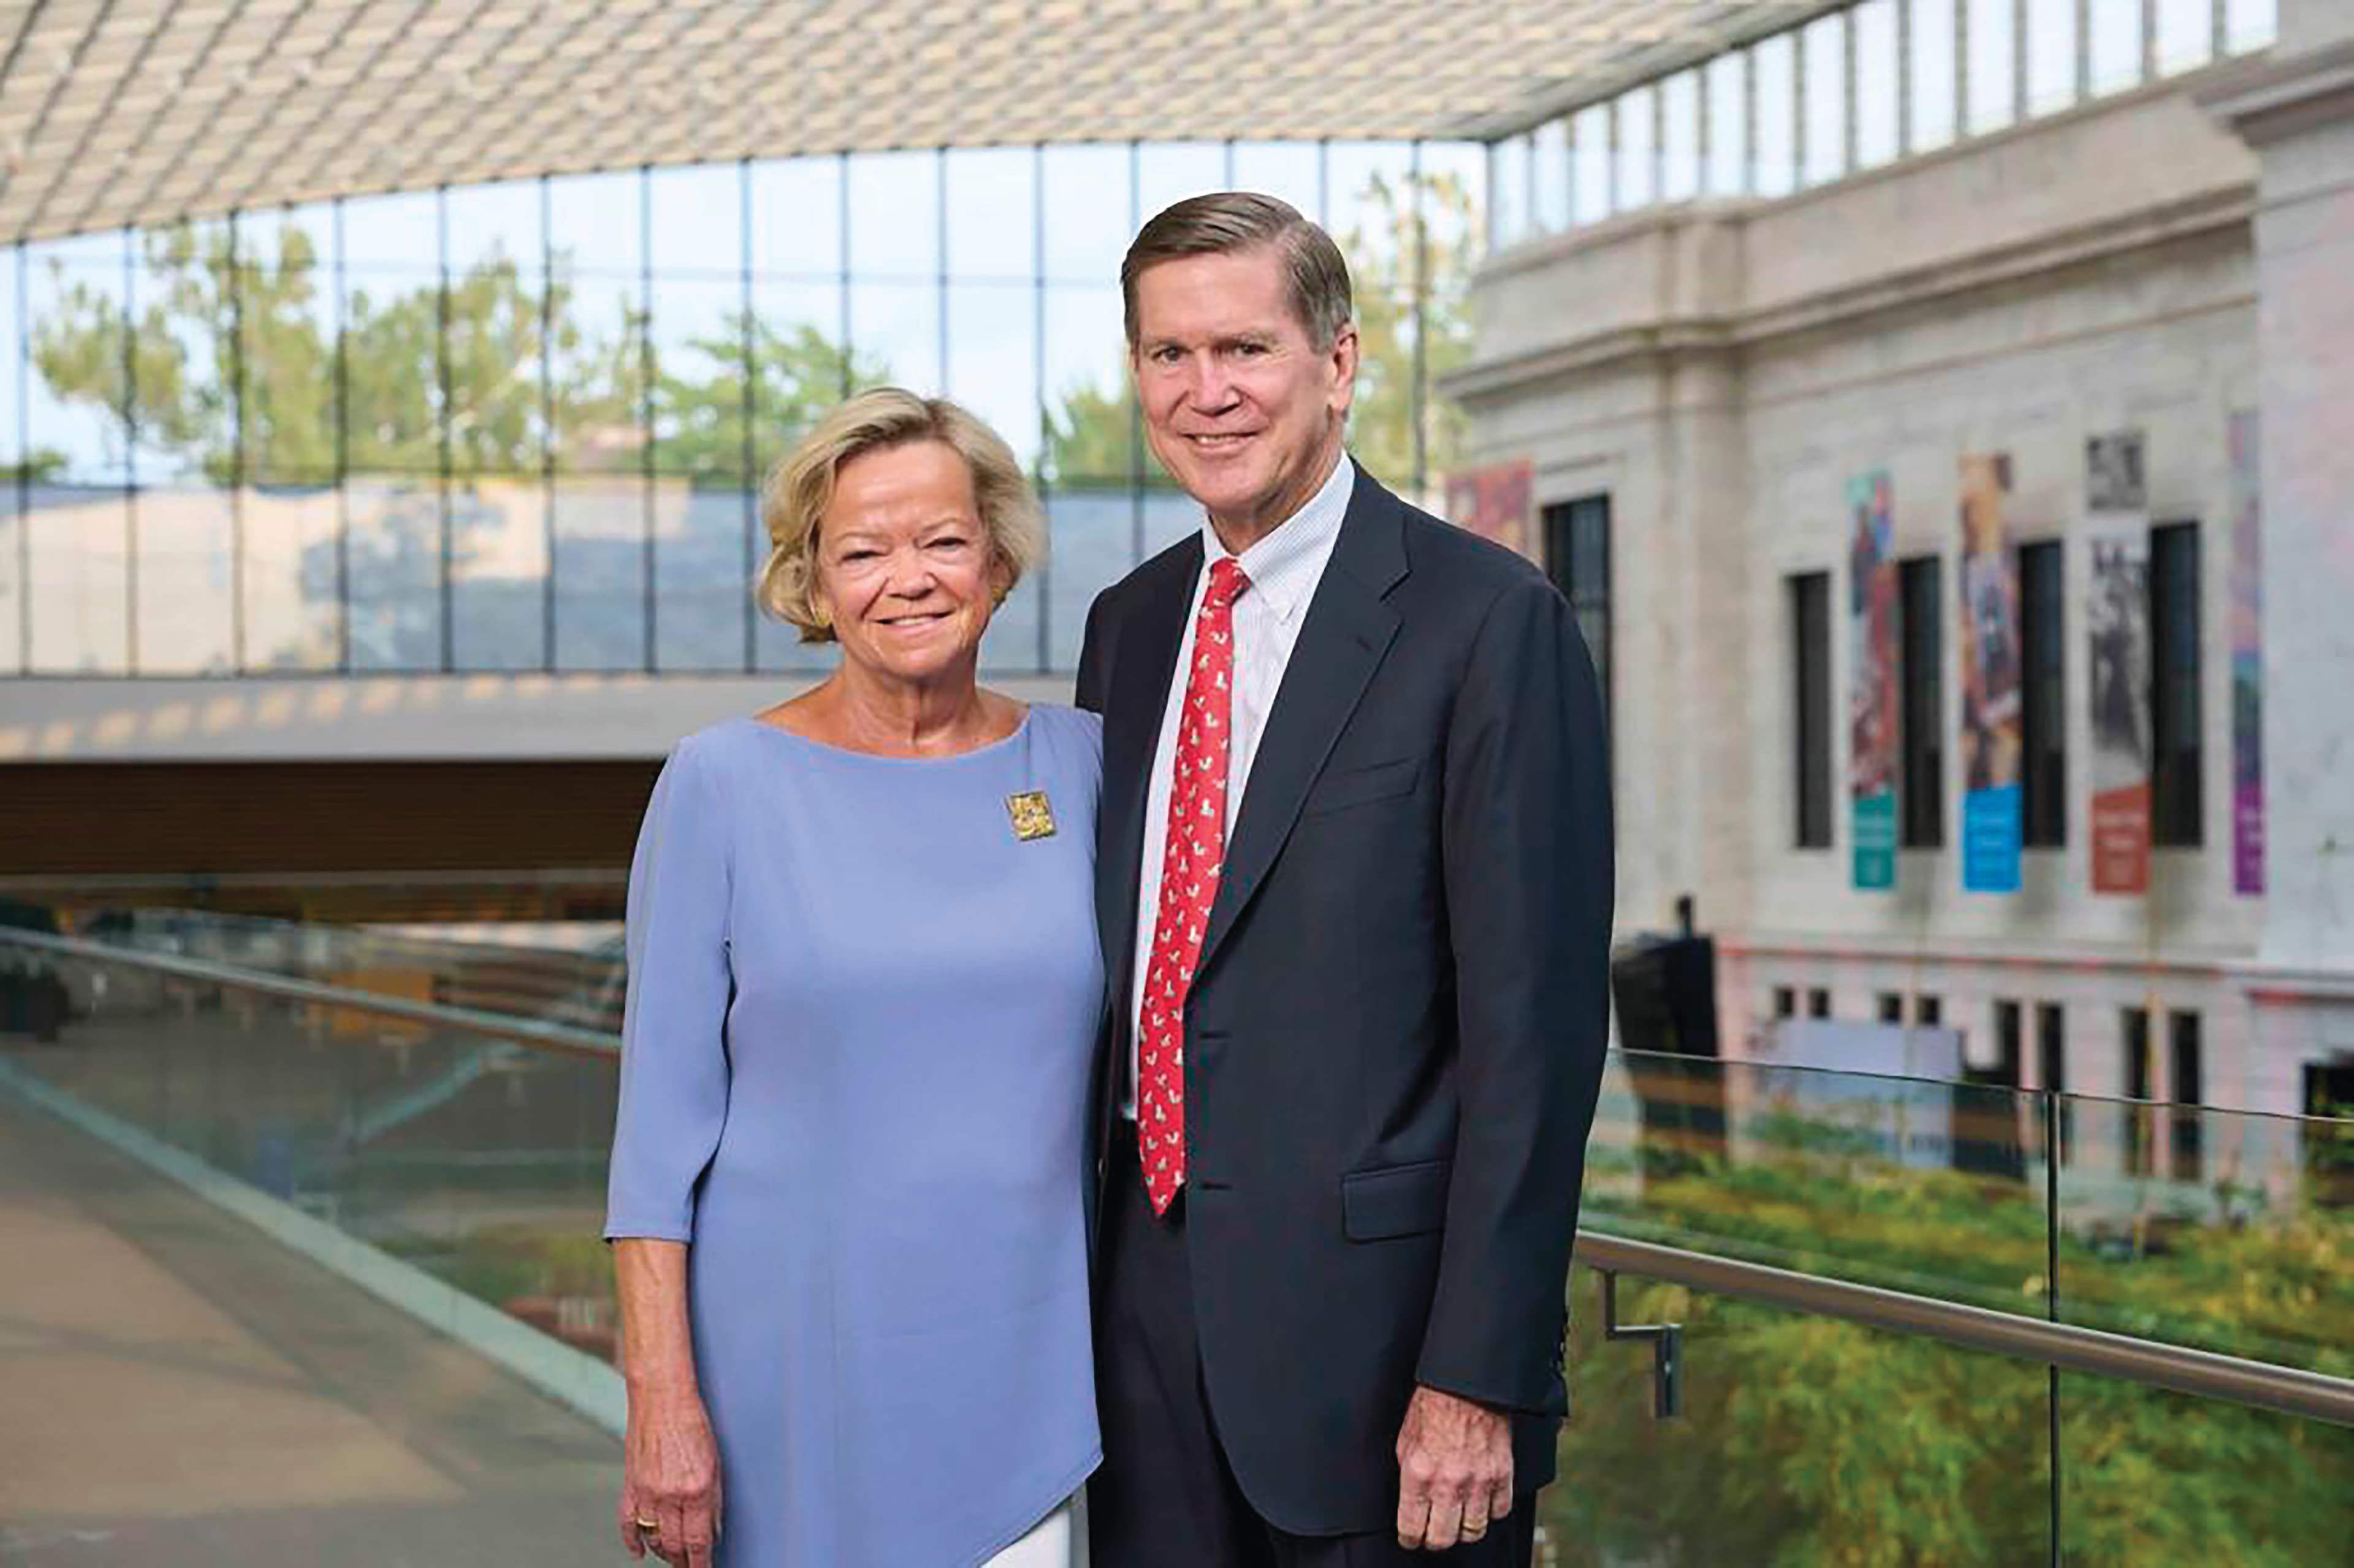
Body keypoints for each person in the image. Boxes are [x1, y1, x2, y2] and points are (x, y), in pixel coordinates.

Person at [1075, 193, 1614, 1566]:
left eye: (1244, 349)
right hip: (1138, 1334)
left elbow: (1535, 1043)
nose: (1207, 394)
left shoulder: (1489, 622)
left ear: (1339, 362)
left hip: (1388, 1374)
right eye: (1168, 355)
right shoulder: (1128, 628)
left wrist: (1479, 1373)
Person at [604, 389, 1102, 1568]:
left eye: (942, 539)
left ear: (998, 558)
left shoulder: (1084, 765)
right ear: (814, 586)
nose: (910, 577)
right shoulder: (722, 785)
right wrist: (662, 1400)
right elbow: (655, 1145)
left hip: (1032, 1375)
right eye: (864, 550)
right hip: (792, 1380)